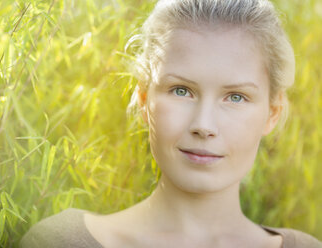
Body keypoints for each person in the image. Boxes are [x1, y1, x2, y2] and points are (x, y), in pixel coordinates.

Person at [20, 0, 322, 247]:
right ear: (143, 99)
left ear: (272, 112)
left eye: (236, 97)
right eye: (182, 91)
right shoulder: (61, 242)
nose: (204, 126)